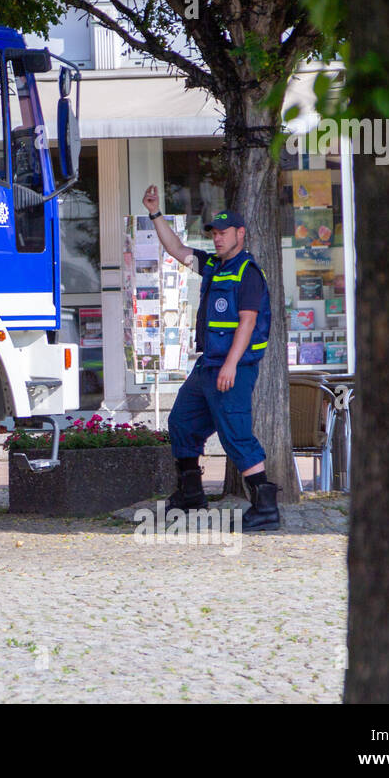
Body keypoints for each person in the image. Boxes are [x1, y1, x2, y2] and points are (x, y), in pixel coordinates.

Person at [142, 186, 280, 531]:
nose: (217, 239)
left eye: (223, 233)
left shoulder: (247, 272)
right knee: (182, 423)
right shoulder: (215, 266)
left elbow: (247, 322)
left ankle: (265, 507)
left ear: (240, 234)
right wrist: (155, 213)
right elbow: (176, 249)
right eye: (214, 234)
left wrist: (231, 364)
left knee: (236, 434)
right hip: (207, 367)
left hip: (232, 368)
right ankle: (191, 493)